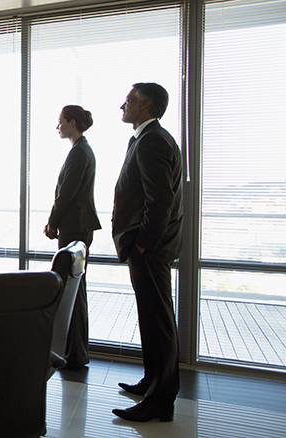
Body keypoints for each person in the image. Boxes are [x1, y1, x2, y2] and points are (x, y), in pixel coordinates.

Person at [111, 83, 183, 422]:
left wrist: (143, 242)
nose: (122, 105)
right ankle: (152, 383)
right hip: (148, 247)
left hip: (149, 248)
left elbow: (161, 200)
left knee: (158, 322)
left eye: (129, 100)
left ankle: (160, 401)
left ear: (147, 105)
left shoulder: (153, 139)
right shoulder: (145, 137)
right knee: (152, 320)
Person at [43, 105, 102, 370]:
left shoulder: (79, 152)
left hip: (74, 226)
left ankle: (74, 353)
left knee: (72, 290)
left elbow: (66, 193)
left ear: (72, 122)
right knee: (76, 290)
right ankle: (76, 351)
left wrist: (52, 222)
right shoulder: (80, 150)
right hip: (77, 224)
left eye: (61, 122)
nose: (58, 127)